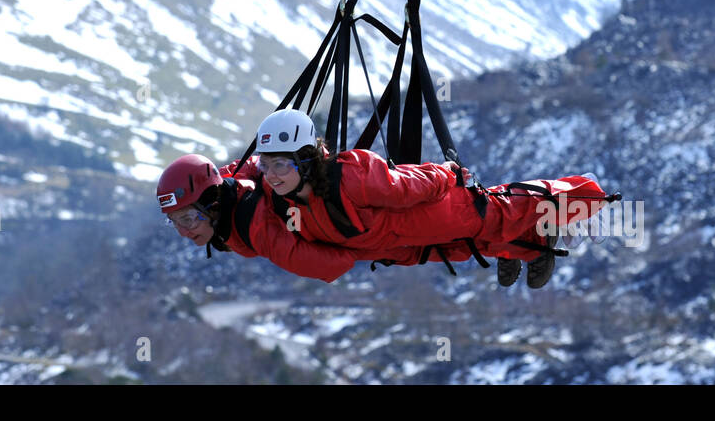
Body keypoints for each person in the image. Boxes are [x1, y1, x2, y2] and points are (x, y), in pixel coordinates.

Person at [231, 109, 615, 288]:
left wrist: (447, 174)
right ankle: (533, 246)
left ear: (305, 159)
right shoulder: (279, 197)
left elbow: (406, 186)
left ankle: (585, 192)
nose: (272, 174)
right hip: (405, 243)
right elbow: (241, 177)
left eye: (281, 164)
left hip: (434, 211)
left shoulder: (349, 175)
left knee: (501, 213)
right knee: (472, 245)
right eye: (268, 165)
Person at [156, 153, 424, 283]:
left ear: (211, 203)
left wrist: (324, 230)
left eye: (189, 218)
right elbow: (251, 164)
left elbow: (335, 264)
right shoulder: (229, 187)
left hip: (401, 236)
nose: (185, 231)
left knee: (453, 226)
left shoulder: (257, 231)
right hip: (399, 235)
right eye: (175, 221)